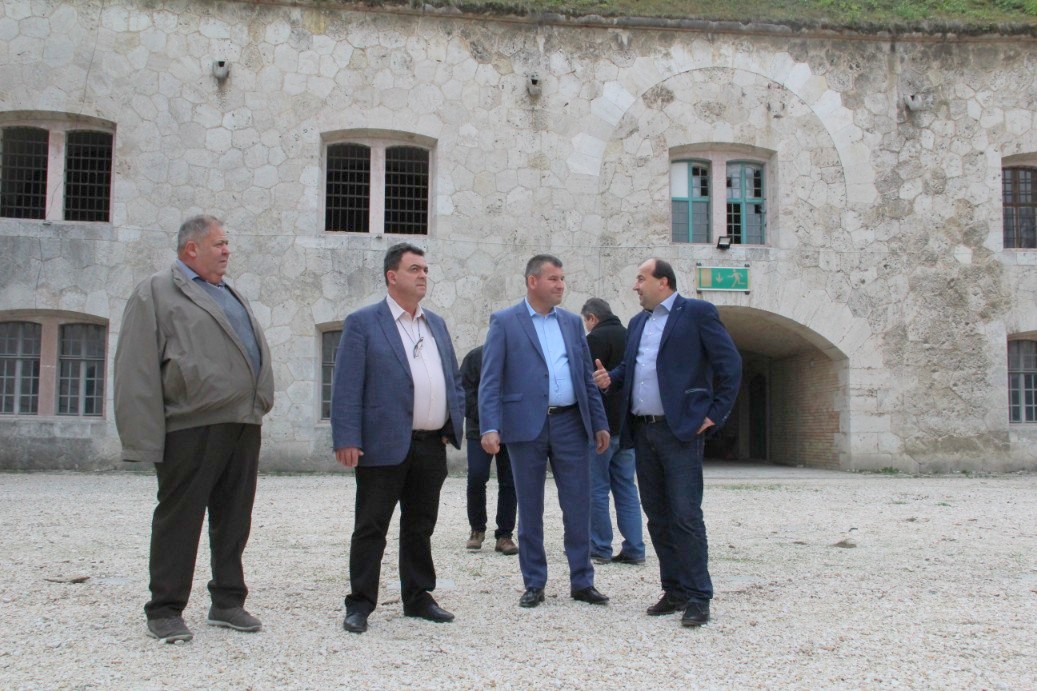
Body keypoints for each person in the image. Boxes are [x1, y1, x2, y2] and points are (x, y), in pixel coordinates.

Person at [114, 215, 275, 643]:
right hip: (190, 425)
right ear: (191, 249)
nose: (227, 250)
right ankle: (165, 609)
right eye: (219, 244)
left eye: (227, 243)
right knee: (180, 519)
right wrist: (142, 439)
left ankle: (227, 601)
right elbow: (136, 367)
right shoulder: (155, 292)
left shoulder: (229, 292)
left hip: (242, 421)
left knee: (234, 518)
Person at [593, 258, 741, 628]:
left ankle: (698, 596)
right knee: (657, 516)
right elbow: (635, 367)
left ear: (663, 282)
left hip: (680, 433)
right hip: (643, 432)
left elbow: (730, 365)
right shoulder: (638, 323)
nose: (635, 286)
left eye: (641, 278)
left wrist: (715, 414)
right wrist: (611, 378)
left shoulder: (697, 314)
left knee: (685, 516)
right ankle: (673, 590)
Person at [331, 243, 465, 634]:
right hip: (382, 444)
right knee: (371, 526)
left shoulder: (435, 324)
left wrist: (450, 427)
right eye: (414, 269)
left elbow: (452, 378)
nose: (423, 275)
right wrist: (346, 436)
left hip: (430, 445)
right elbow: (346, 385)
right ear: (392, 276)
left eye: (425, 269)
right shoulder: (363, 322)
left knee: (420, 526)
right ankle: (360, 603)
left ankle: (418, 597)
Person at [479, 254, 611, 609]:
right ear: (532, 281)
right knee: (530, 507)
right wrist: (489, 425)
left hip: (571, 423)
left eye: (563, 278)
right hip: (525, 425)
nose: (560, 285)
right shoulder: (505, 321)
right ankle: (534, 582)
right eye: (554, 279)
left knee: (578, 504)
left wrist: (599, 422)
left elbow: (585, 376)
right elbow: (490, 379)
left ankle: (582, 581)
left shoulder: (571, 323)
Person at [580, 298, 645, 566]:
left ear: (592, 318)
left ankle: (600, 547)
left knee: (597, 488)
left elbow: (587, 383)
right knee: (626, 488)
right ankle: (635, 548)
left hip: (602, 427)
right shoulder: (630, 336)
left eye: (586, 322)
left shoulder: (594, 339)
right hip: (627, 426)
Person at [460, 345, 518, 555]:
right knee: (476, 477)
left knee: (509, 481)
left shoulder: (517, 358)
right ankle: (477, 529)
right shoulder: (474, 357)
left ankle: (505, 535)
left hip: (511, 429)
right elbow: (463, 393)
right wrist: (488, 417)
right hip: (479, 428)